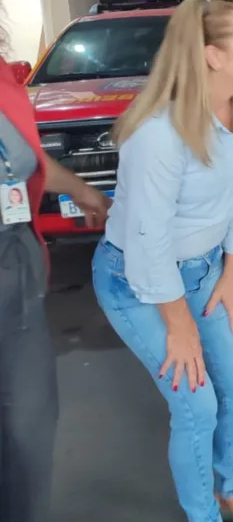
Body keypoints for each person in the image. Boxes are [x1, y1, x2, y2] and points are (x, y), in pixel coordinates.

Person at [89, 0, 233, 522]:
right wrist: (179, 325)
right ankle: (204, 515)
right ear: (212, 55)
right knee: (197, 404)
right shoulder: (158, 135)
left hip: (205, 272)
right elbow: (149, 244)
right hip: (136, 281)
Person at [0, 53, 111, 522]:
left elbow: (21, 155)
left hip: (15, 261)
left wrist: (81, 190)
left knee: (28, 426)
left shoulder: (3, 77)